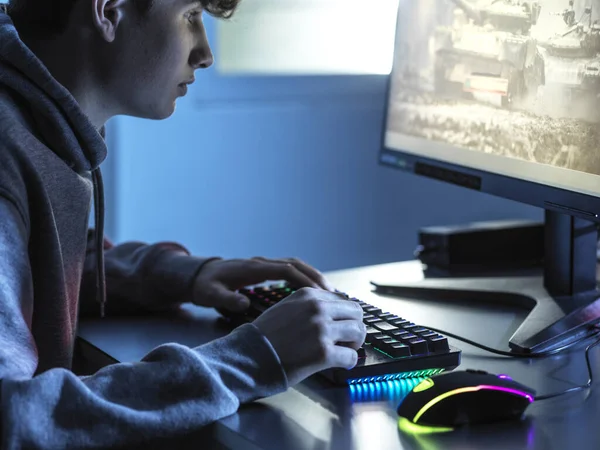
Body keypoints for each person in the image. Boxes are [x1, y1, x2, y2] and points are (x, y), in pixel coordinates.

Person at [0, 0, 366, 447]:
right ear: (109, 11)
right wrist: (250, 359)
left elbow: (30, 263)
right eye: (191, 16)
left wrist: (184, 275)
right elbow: (12, 416)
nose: (205, 53)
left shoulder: (29, 122)